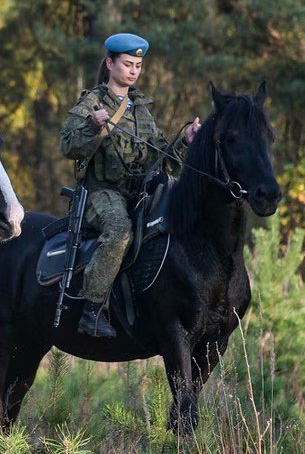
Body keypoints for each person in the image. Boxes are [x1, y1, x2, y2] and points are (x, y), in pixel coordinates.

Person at [59, 33, 200, 338]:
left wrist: (186, 140)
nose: (134, 70)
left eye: (138, 65)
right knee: (120, 232)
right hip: (102, 192)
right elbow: (68, 147)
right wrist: (92, 127)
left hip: (139, 192)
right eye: (127, 64)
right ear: (110, 64)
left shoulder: (142, 111)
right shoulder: (91, 103)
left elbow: (164, 160)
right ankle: (92, 309)